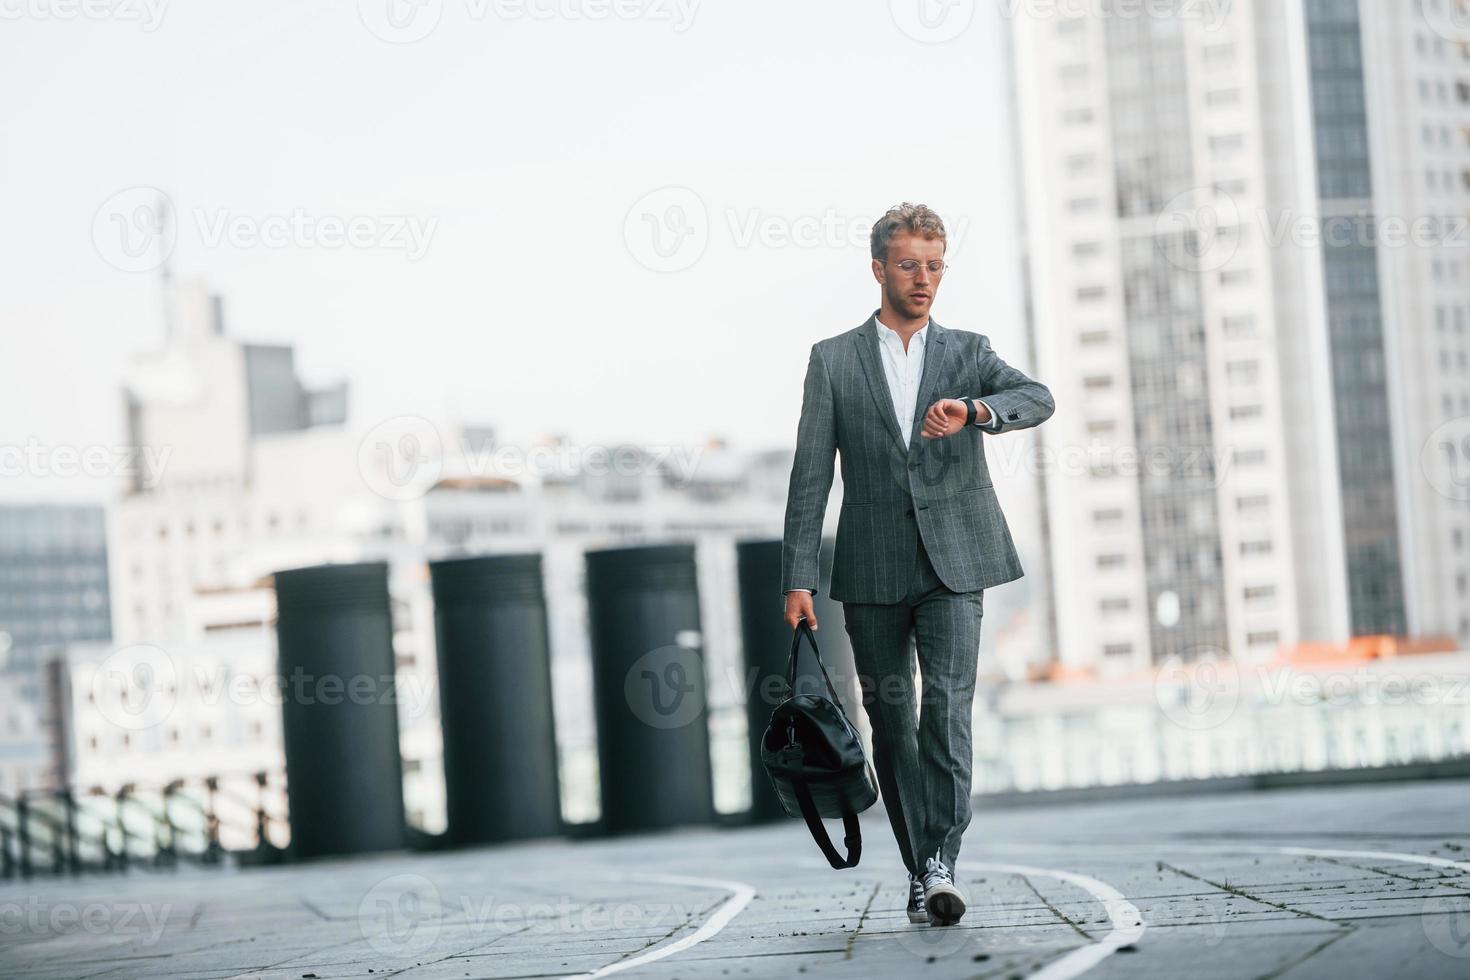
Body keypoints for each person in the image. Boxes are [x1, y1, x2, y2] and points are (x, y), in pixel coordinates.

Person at [780, 202, 1054, 926]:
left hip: (957, 562)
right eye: (909, 265)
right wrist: (797, 579)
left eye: (935, 265)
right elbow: (811, 476)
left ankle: (942, 861)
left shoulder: (969, 351)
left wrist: (976, 412)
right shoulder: (833, 359)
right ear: (879, 269)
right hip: (870, 569)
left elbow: (1038, 397)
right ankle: (916, 864)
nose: (924, 278)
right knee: (891, 719)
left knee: (948, 709)